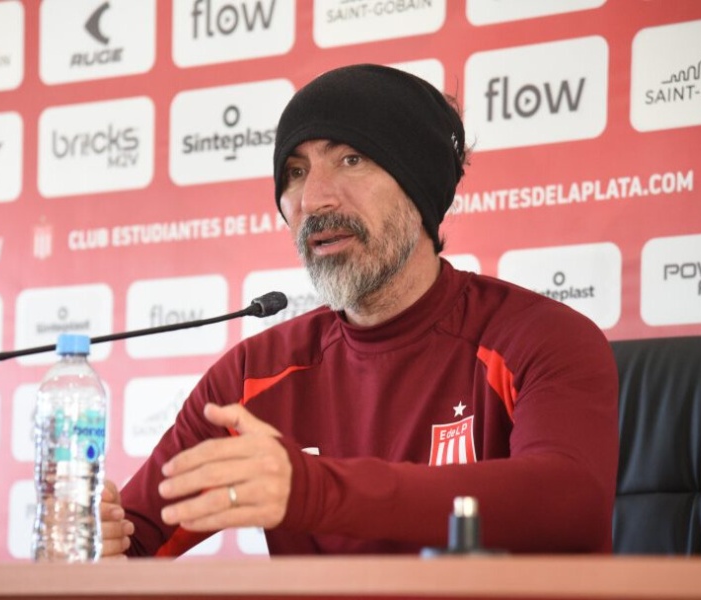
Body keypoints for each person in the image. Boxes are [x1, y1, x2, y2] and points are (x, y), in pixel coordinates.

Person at [100, 63, 619, 557]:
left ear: (419, 184)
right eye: (296, 171)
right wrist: (97, 538)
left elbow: (571, 501)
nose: (314, 199)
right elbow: (135, 544)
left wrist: (316, 492)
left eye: (351, 159)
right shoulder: (251, 376)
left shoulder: (539, 337)